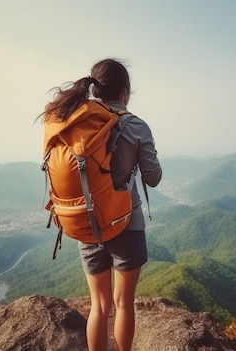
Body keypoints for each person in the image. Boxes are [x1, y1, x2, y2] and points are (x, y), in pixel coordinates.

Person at [41, 58, 162, 351]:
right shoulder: (135, 125)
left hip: (87, 223)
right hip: (126, 225)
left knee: (98, 306)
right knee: (123, 305)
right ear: (125, 90)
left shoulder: (76, 125)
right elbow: (153, 178)